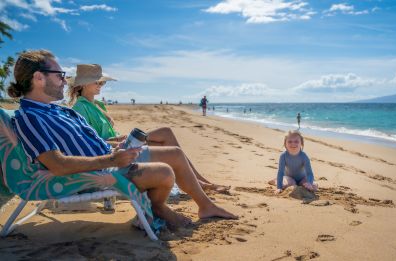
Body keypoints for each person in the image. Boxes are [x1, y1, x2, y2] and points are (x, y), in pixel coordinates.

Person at [7, 50, 237, 229]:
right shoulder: (30, 117)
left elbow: (92, 141)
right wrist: (111, 159)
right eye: (60, 76)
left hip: (108, 158)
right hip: (95, 171)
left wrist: (117, 148)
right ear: (38, 78)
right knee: (165, 172)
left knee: (174, 153)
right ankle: (157, 207)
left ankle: (205, 206)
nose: (65, 82)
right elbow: (57, 164)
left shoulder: (59, 111)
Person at [67, 64, 229, 193]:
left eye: (102, 81)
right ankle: (199, 182)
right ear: (83, 84)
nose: (101, 85)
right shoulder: (80, 108)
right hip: (112, 153)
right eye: (97, 81)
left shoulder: (98, 105)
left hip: (118, 146)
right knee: (165, 132)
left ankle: (200, 181)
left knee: (165, 143)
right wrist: (118, 140)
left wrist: (120, 137)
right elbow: (89, 143)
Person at [268, 130, 318, 194]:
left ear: (301, 143)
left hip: (302, 178)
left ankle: (303, 184)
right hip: (289, 178)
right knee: (290, 184)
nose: (293, 144)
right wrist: (279, 187)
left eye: (296, 141)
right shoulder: (283, 156)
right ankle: (276, 181)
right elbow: (280, 172)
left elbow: (309, 173)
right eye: (289, 141)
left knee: (314, 186)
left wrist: (309, 183)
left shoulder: (304, 156)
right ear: (285, 144)